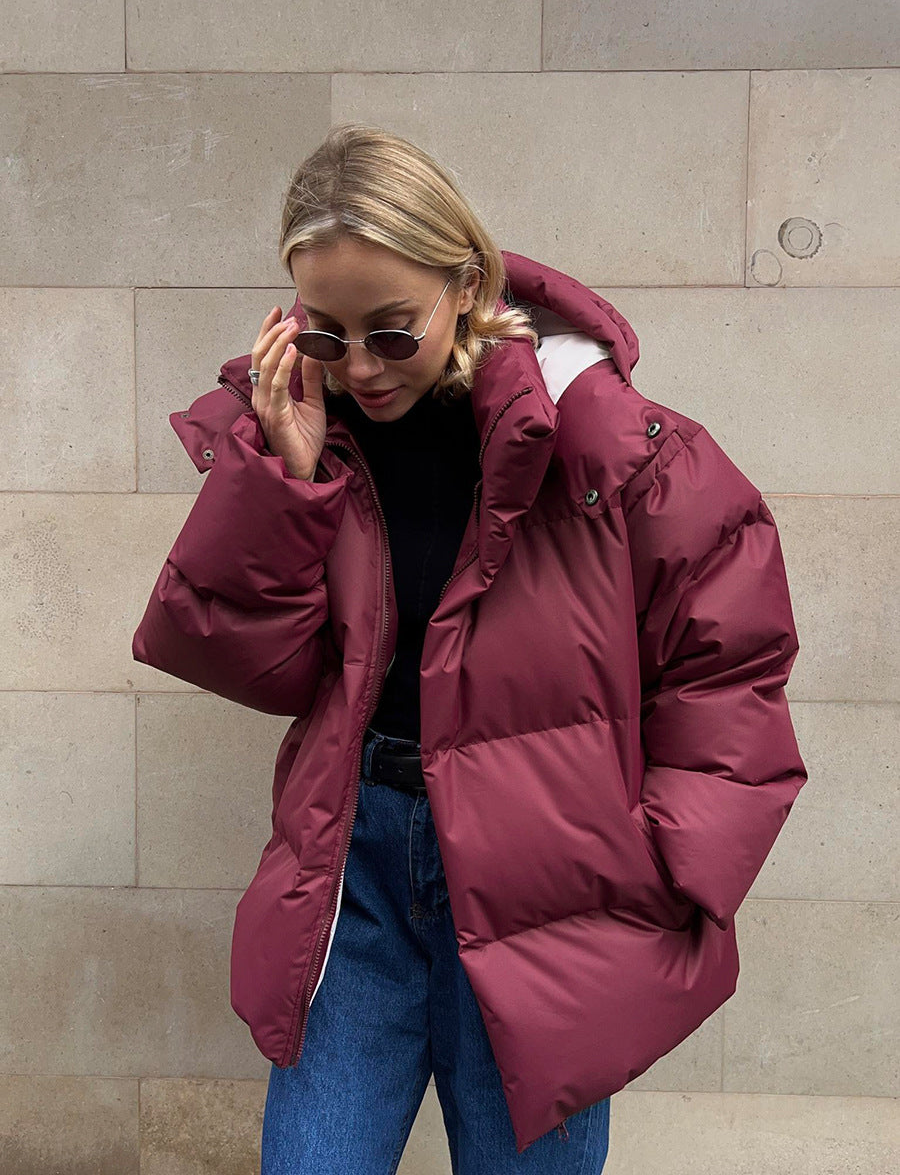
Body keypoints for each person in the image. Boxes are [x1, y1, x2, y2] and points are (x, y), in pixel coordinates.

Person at [132, 124, 807, 1173]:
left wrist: (660, 870)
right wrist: (286, 486)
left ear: (466, 283)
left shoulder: (609, 447)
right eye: (326, 333)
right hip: (357, 874)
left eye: (393, 333)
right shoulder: (306, 434)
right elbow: (249, 664)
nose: (360, 367)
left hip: (552, 889)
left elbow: (732, 669)